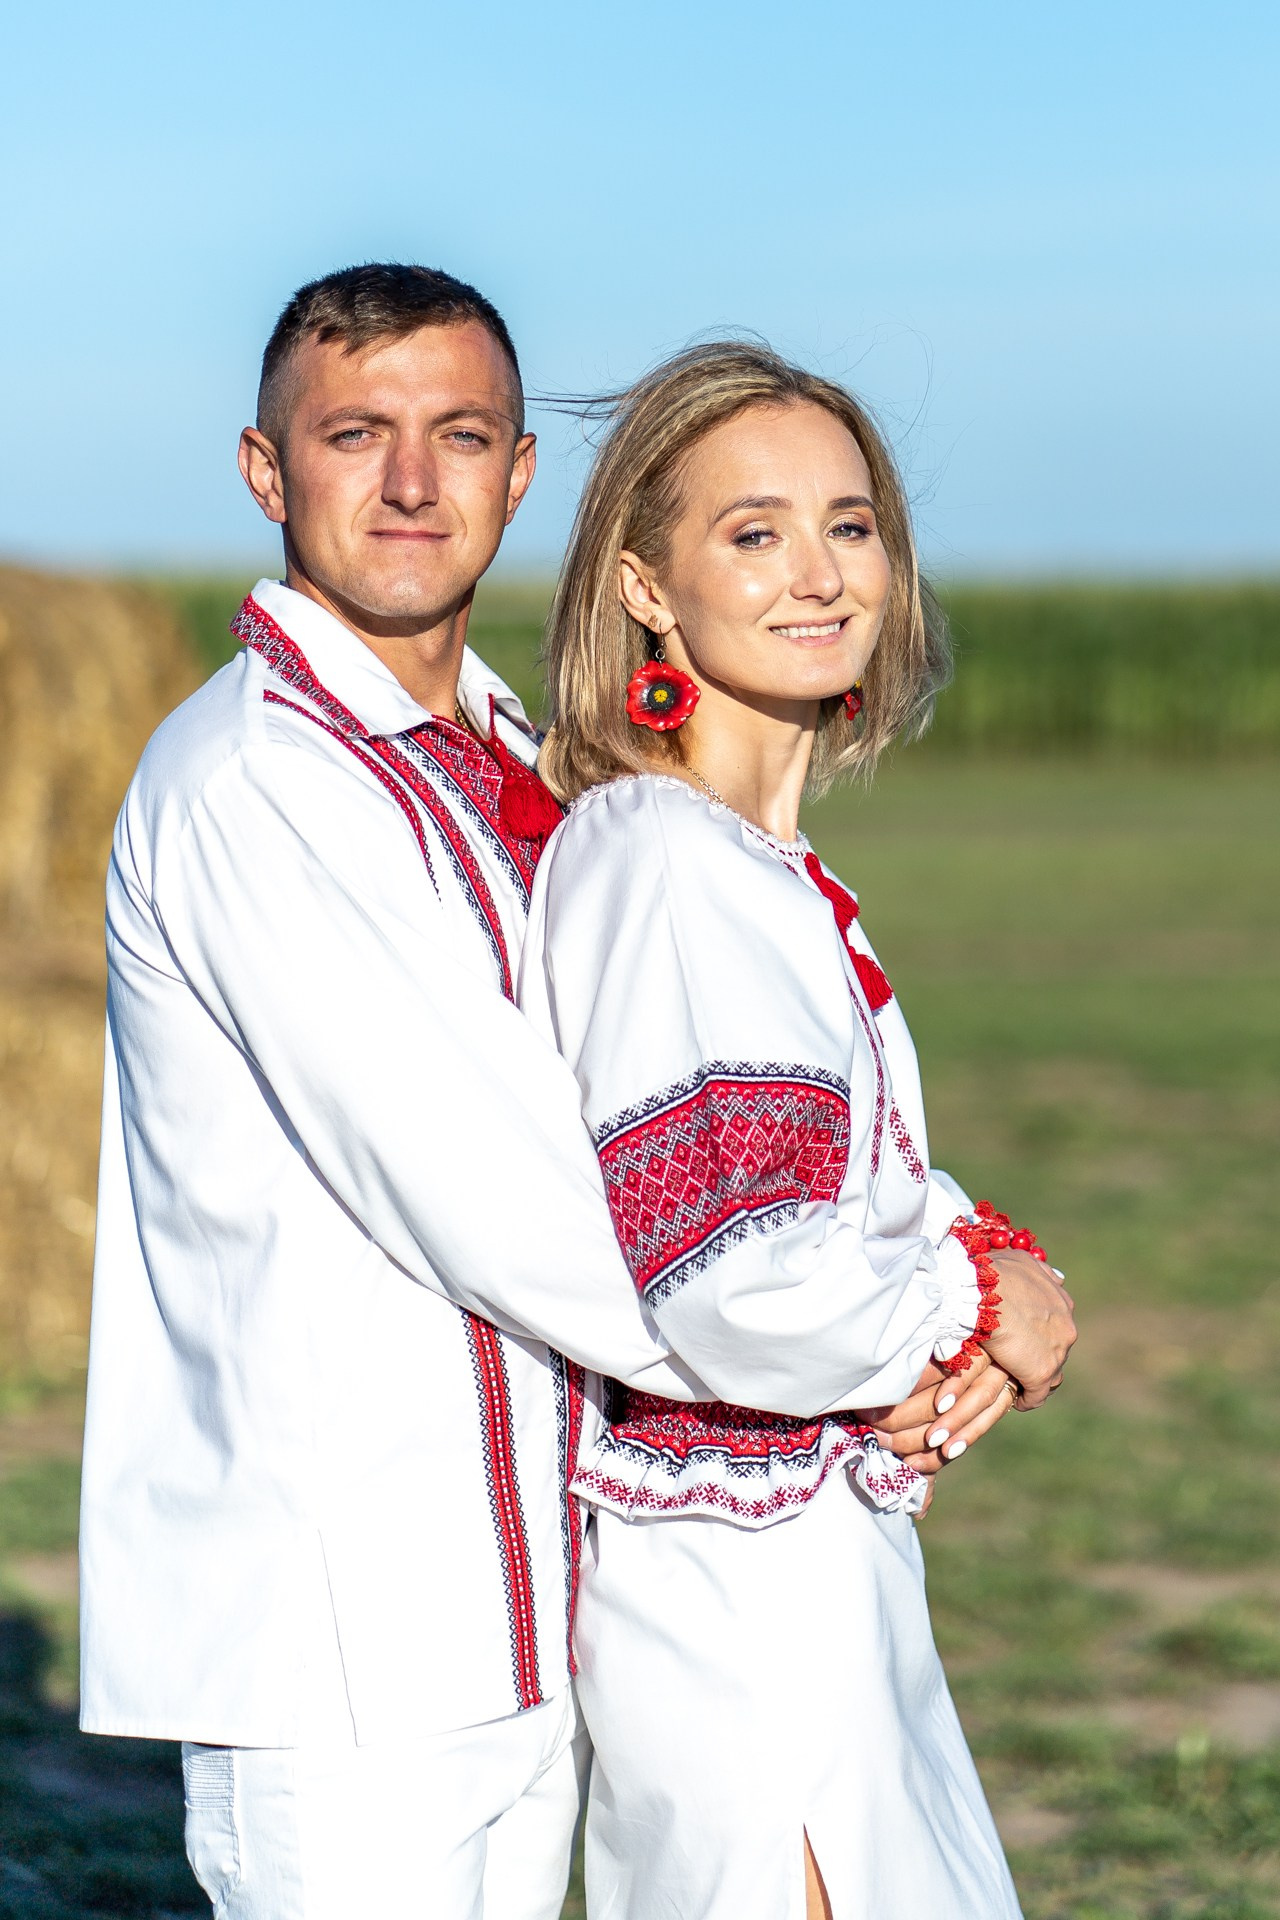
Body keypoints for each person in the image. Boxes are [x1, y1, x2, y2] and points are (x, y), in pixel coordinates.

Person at [79, 263, 1068, 1920]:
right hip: (352, 1645)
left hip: (540, 1597)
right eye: (353, 434)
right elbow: (542, 1205)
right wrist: (936, 1315)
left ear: (519, 474)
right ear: (266, 471)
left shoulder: (505, 766)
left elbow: (703, 1132)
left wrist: (956, 1259)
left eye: (459, 435)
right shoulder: (264, 781)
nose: (412, 483)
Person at [519, 340, 1077, 1919]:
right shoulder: (663, 861)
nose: (820, 574)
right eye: (752, 534)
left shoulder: (757, 868)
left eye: (851, 523)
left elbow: (852, 1191)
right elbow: (738, 1280)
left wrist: (985, 1273)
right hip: (743, 1600)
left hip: (818, 1560)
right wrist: (981, 1305)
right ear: (644, 585)